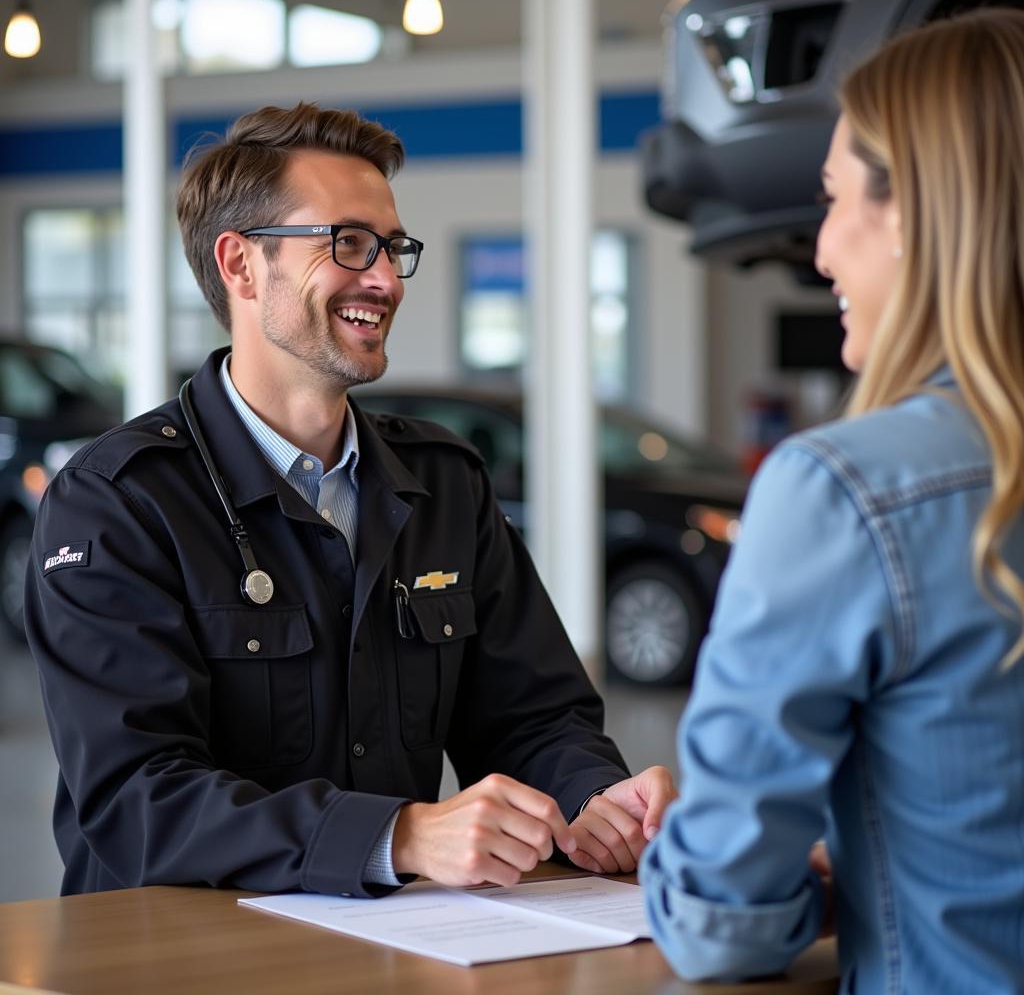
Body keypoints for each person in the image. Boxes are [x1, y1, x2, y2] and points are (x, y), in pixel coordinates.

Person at [26, 102, 674, 898]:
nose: (384, 278)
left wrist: (596, 800)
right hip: (180, 960)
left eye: (394, 249)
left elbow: (533, 717)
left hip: (388, 950)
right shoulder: (117, 504)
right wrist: (397, 834)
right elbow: (136, 802)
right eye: (349, 243)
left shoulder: (443, 482)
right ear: (240, 265)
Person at [640, 9, 1024, 993]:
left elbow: (720, 926)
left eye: (832, 198)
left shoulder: (845, 490)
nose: (820, 253)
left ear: (919, 216)